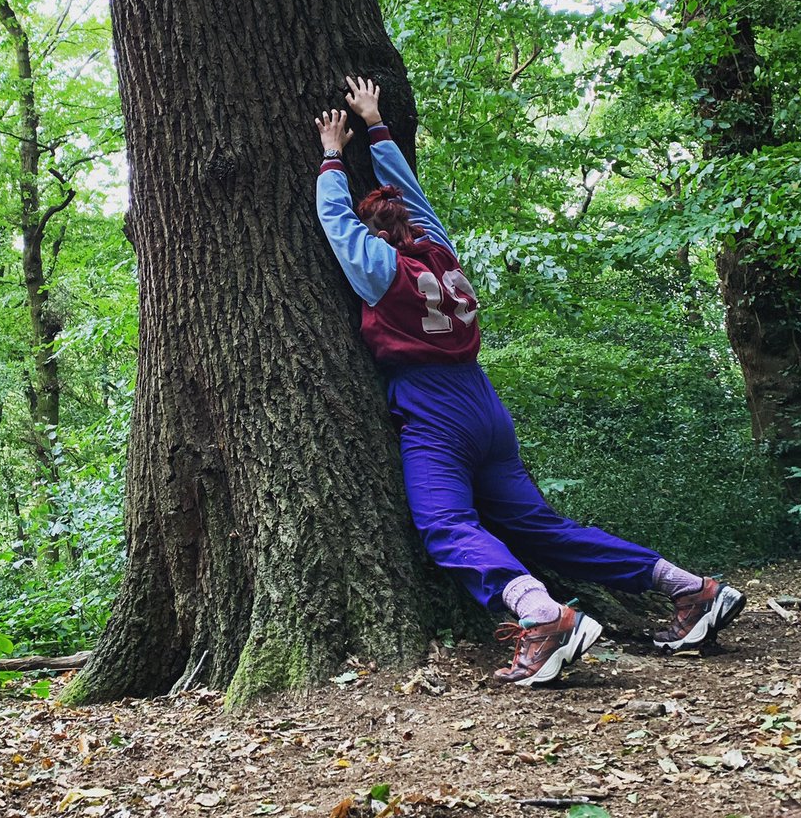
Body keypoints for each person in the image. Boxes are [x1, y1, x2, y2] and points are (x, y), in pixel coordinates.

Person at [314, 76, 746, 686]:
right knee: (541, 529)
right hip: (484, 404)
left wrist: (333, 153)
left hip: (433, 406)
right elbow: (414, 194)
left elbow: (336, 222)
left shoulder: (381, 270)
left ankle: (542, 617)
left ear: (378, 235)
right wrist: (376, 126)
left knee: (447, 526)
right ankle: (692, 590)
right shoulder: (442, 253)